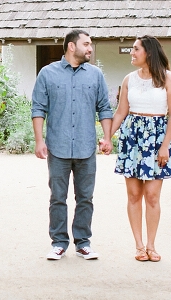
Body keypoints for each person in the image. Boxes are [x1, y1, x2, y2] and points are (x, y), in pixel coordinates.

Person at [31, 29, 113, 260]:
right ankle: (58, 242)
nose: (90, 49)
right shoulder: (47, 74)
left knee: (85, 198)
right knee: (57, 197)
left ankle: (83, 243)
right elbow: (38, 108)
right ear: (71, 46)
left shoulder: (95, 75)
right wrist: (39, 141)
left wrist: (107, 138)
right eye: (86, 44)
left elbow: (104, 108)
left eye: (90, 45)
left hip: (86, 147)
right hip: (58, 146)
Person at [100, 35, 171, 263]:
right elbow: (120, 112)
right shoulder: (129, 79)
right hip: (132, 138)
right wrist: (107, 137)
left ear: (149, 53)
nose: (132, 53)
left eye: (135, 49)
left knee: (152, 196)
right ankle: (138, 245)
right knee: (134, 195)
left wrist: (165, 145)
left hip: (157, 139)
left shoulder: (168, 78)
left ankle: (151, 245)